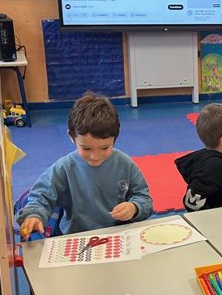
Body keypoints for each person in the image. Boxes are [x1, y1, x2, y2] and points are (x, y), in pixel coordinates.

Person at [17, 93, 153, 238]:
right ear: (71, 137)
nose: (95, 156)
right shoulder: (64, 167)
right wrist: (34, 214)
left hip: (118, 235)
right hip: (75, 237)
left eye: (104, 148)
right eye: (86, 149)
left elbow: (144, 199)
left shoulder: (125, 164)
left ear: (115, 138)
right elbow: (41, 195)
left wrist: (134, 208)